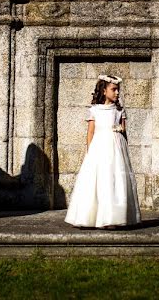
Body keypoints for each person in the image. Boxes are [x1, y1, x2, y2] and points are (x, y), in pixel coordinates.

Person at [64, 74, 141, 229]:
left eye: (118, 89)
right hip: (99, 147)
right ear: (104, 91)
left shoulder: (119, 110)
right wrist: (89, 151)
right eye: (114, 89)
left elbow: (124, 130)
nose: (117, 92)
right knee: (98, 180)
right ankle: (90, 217)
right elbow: (90, 132)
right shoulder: (95, 110)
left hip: (116, 148)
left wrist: (121, 135)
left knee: (114, 180)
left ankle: (112, 218)